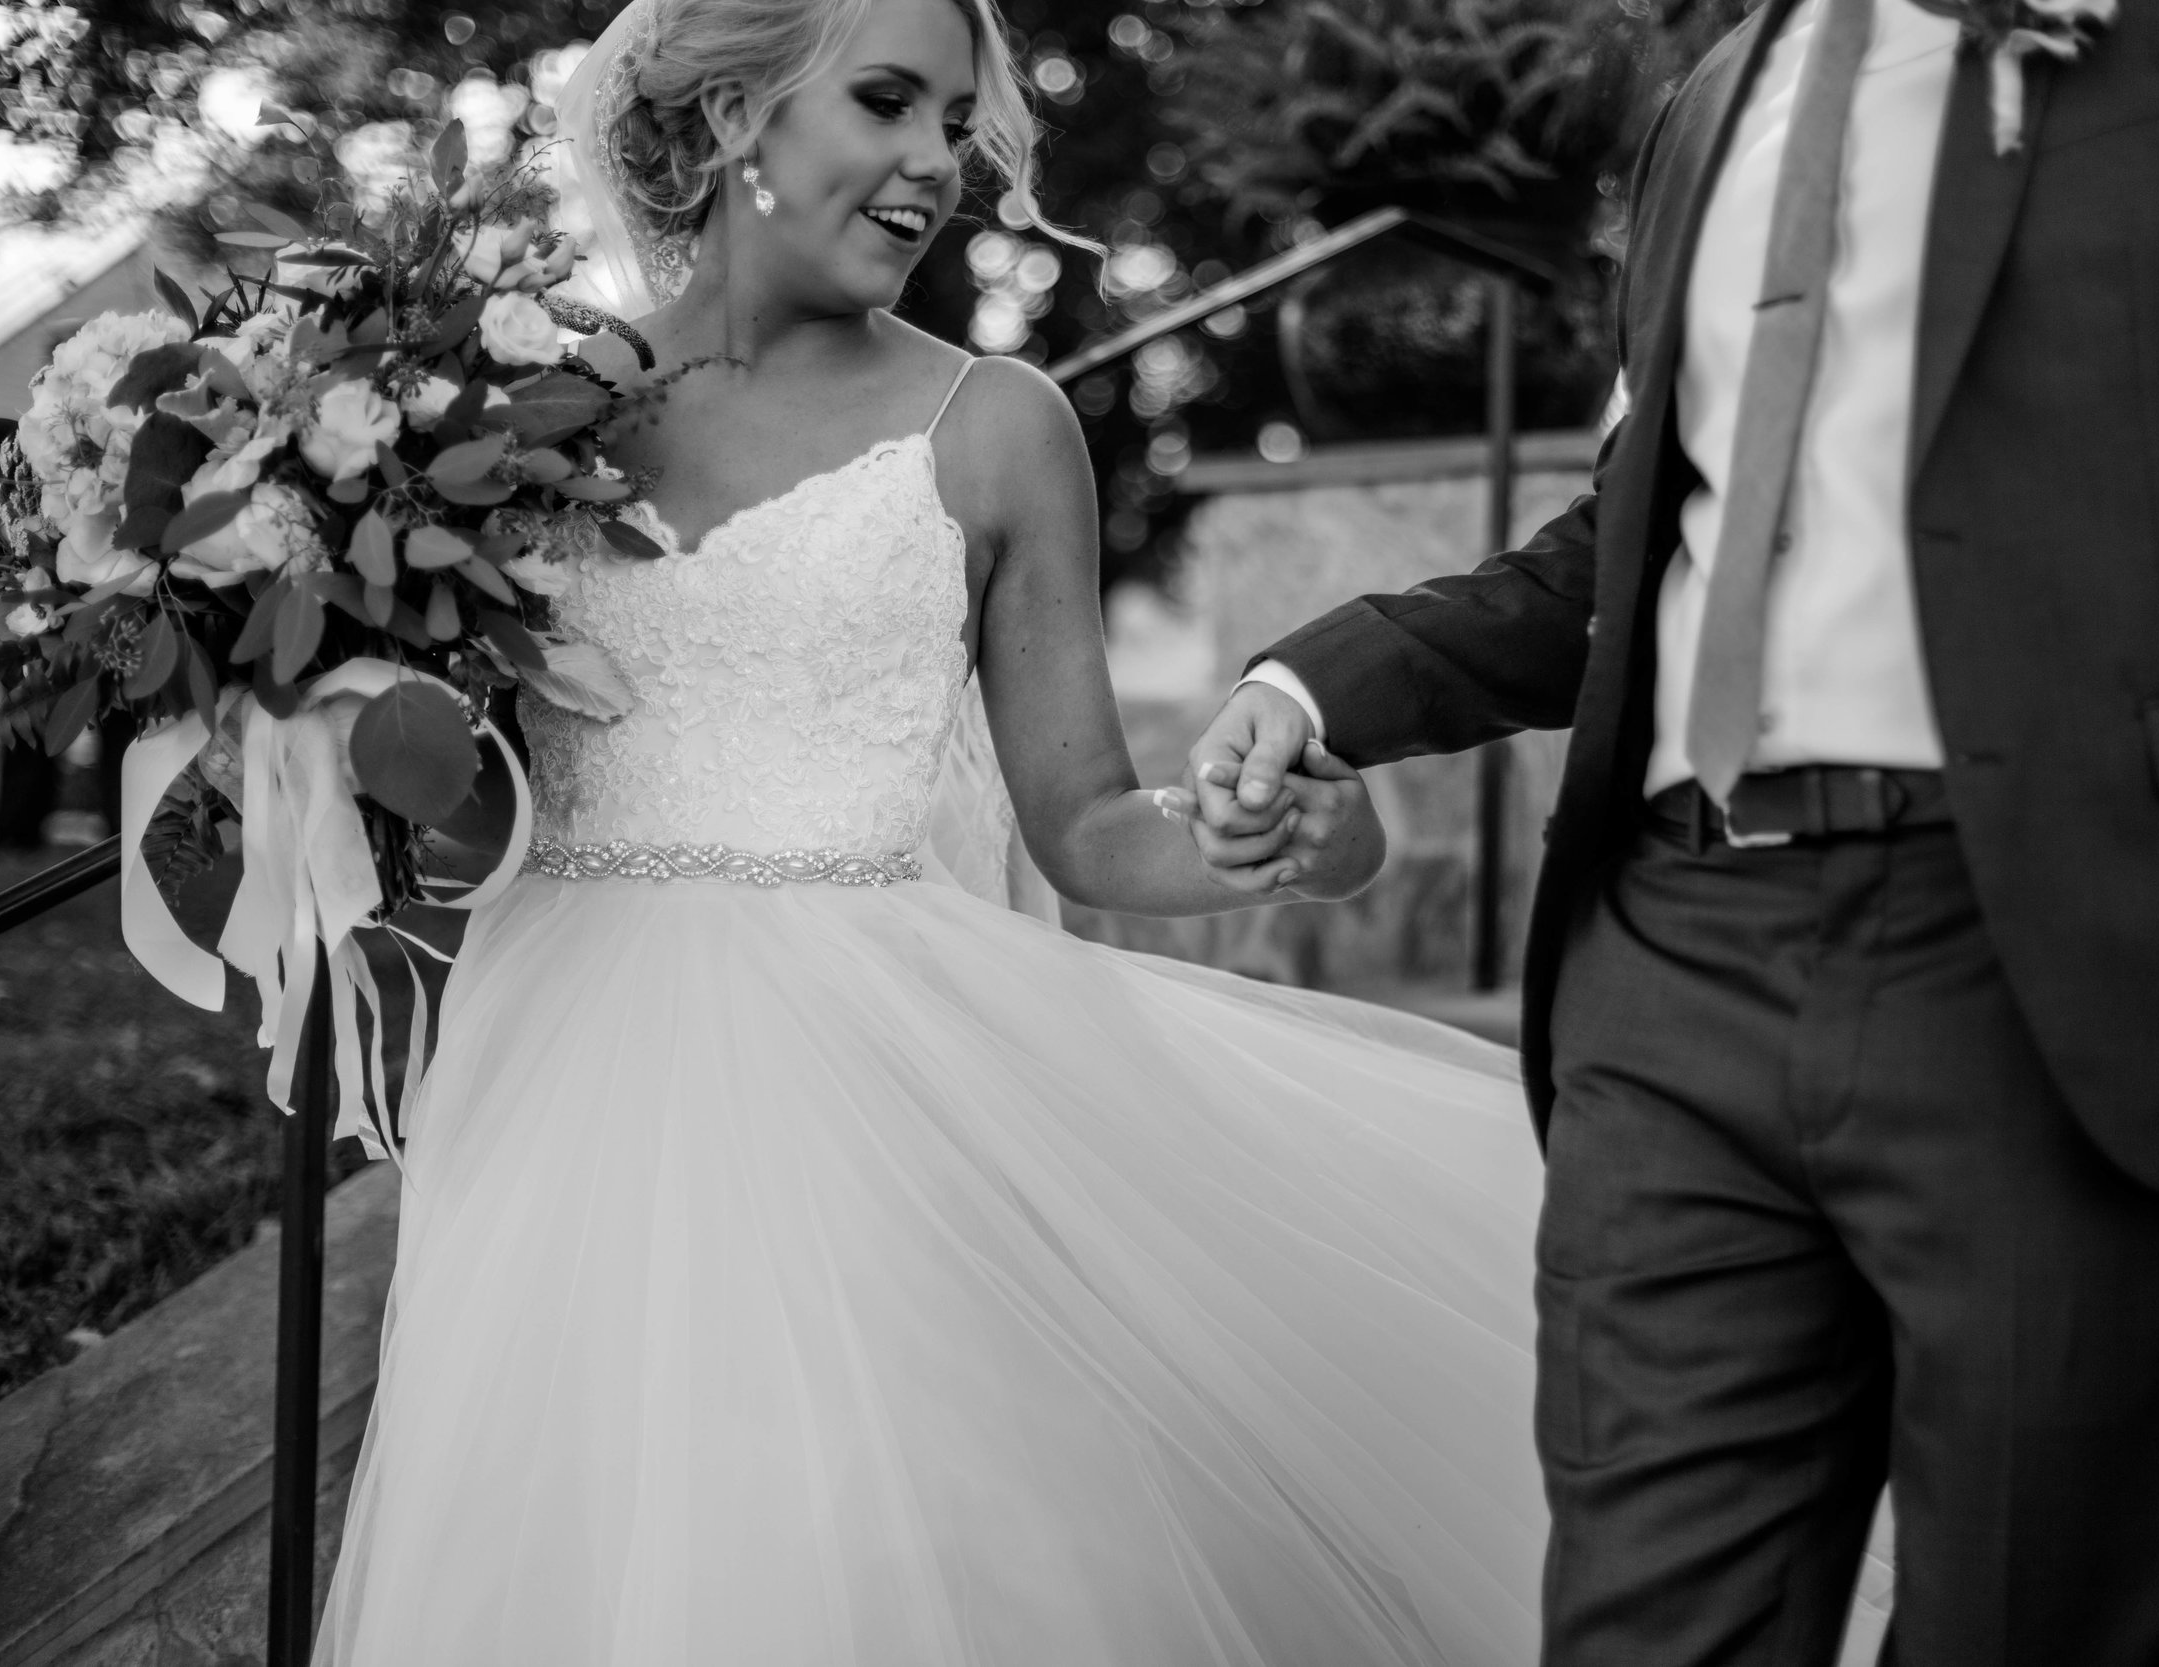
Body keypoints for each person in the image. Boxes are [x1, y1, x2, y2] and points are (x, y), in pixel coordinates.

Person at [1178, 0, 2159, 1662]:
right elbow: (1639, 538)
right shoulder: (1720, 95)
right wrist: (1322, 683)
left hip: (2073, 968)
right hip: (1672, 967)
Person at [311, 0, 1557, 1659]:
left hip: (884, 1083)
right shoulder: (520, 421)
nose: (934, 163)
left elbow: (1092, 823)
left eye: (953, 121)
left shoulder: (996, 424)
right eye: (886, 103)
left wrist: (1288, 842)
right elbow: (478, 825)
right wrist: (326, 697)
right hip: (563, 1065)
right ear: (735, 114)